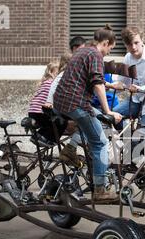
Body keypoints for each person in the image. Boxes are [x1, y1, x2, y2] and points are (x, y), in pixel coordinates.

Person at [54, 25, 122, 202]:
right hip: (76, 103)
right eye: (110, 48)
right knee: (100, 142)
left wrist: (111, 86)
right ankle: (100, 189)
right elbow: (97, 84)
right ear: (105, 43)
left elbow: (86, 78)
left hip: (61, 102)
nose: (108, 52)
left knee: (94, 118)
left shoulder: (82, 52)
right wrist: (109, 111)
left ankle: (70, 149)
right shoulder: (96, 55)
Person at [28, 61, 59, 147]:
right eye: (57, 73)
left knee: (48, 124)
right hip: (39, 112)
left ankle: (37, 136)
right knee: (59, 122)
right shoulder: (52, 84)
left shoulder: (44, 82)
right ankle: (49, 140)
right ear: (51, 72)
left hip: (32, 112)